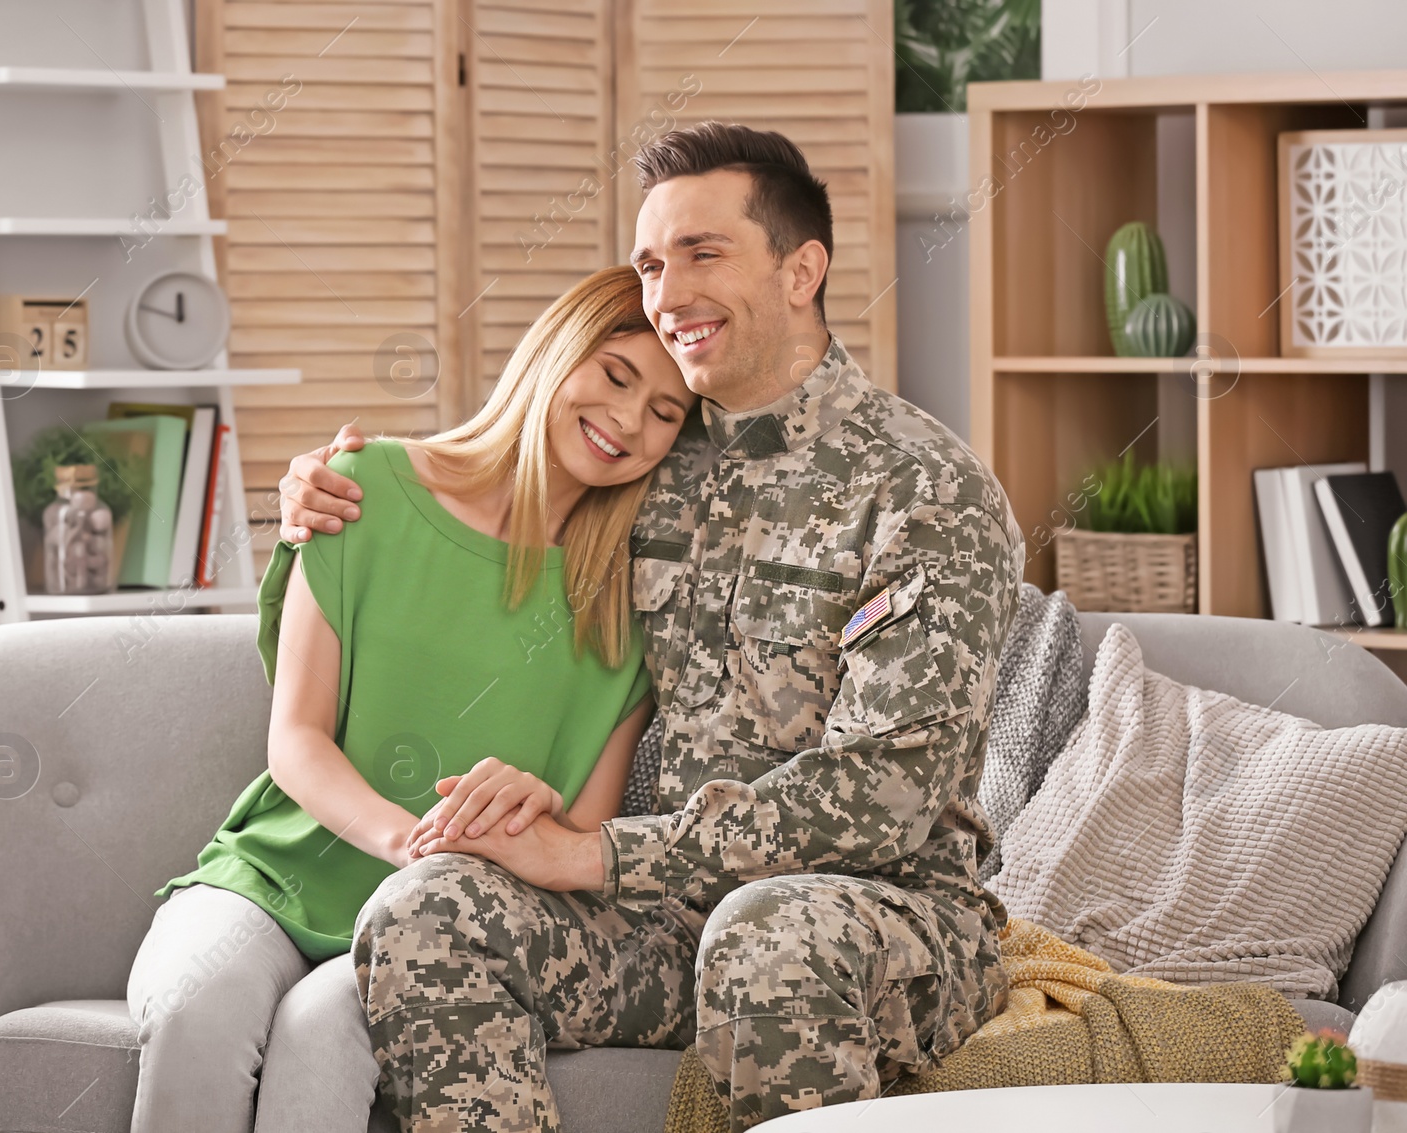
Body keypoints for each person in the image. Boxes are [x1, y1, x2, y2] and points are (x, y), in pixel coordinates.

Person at [278, 121, 1024, 1132]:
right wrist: (324, 497)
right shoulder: (644, 456)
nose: (665, 294)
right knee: (426, 908)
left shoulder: (923, 489)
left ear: (802, 268)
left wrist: (596, 856)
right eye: (649, 262)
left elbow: (882, 795)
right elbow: (476, 507)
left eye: (703, 253)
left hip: (881, 914)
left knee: (768, 936)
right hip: (665, 926)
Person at [124, 264, 698, 1133]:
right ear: (554, 351)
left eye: (666, 412)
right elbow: (299, 740)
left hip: (442, 929)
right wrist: (408, 843)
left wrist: (530, 818)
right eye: (616, 376)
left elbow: (582, 842)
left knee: (321, 1046)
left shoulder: (625, 610)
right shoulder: (363, 487)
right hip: (272, 877)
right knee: (194, 1011)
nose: (629, 420)